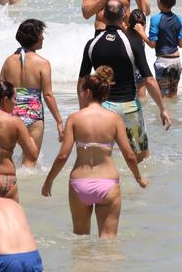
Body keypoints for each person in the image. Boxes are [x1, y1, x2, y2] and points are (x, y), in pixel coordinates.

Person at [42, 66, 147, 238]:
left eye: (82, 91)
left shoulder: (75, 118)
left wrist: (49, 181)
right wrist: (138, 177)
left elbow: (63, 156)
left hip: (79, 183)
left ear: (88, 92)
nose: (80, 94)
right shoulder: (114, 119)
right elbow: (129, 154)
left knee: (80, 239)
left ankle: (84, 266)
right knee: (109, 241)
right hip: (108, 183)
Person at [78, 0, 171, 162]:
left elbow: (81, 82)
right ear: (124, 16)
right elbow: (148, 80)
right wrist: (162, 109)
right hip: (130, 109)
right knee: (141, 159)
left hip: (103, 109)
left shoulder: (91, 45)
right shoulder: (133, 43)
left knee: (101, 158)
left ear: (103, 16)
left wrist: (83, 109)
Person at [0, 19, 64, 168]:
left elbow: (0, 89)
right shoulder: (42, 63)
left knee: (4, 159)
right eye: (41, 34)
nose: (43, 38)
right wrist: (59, 121)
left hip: (10, 113)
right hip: (33, 115)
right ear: (34, 37)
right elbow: (47, 95)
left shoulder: (8, 61)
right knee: (30, 162)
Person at [134, 0, 182, 97]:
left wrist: (141, 32)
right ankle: (174, 114)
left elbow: (152, 44)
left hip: (163, 62)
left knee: (163, 96)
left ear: (158, 1)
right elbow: (181, 44)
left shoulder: (156, 19)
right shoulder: (179, 19)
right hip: (176, 61)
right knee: (173, 94)